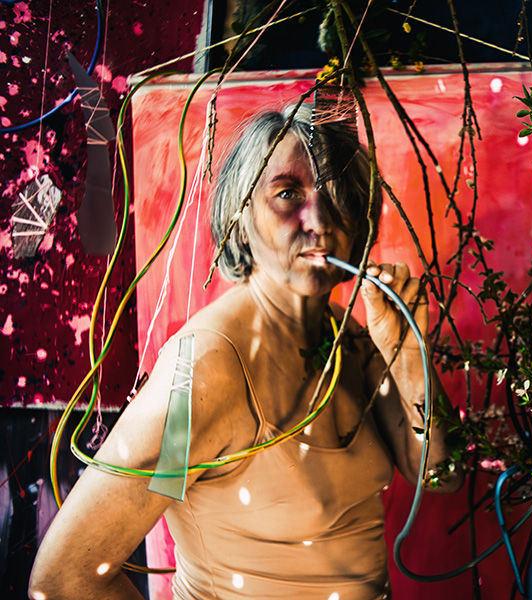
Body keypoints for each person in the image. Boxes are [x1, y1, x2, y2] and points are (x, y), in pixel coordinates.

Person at [29, 101, 461, 600]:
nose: (318, 219)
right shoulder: (205, 372)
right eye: (287, 193)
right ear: (240, 214)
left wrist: (408, 361)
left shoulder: (352, 339)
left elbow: (439, 478)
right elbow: (64, 577)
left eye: (337, 196)